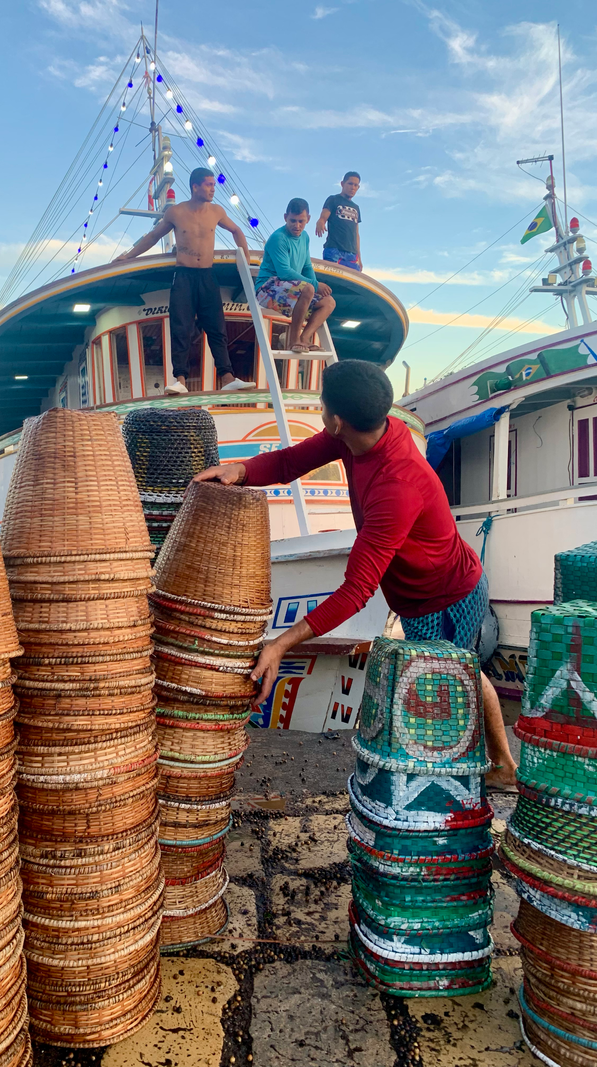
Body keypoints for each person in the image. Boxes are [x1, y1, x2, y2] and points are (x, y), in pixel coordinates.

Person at [195, 359, 518, 791]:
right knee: (463, 671)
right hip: (418, 594)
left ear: (336, 420)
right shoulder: (360, 436)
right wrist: (242, 471)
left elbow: (355, 592)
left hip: (445, 596)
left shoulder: (396, 486)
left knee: (447, 680)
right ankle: (501, 763)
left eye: (321, 405)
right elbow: (292, 461)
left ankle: (466, 778)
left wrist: (280, 644)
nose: (321, 411)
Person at [114, 168, 256, 396]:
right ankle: (180, 379)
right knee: (181, 327)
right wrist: (129, 256)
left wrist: (246, 261)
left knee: (216, 327)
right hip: (183, 276)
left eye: (214, 185)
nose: (213, 189)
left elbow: (237, 230)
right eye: (208, 185)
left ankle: (227, 377)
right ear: (195, 187)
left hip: (207, 276)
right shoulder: (176, 212)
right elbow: (154, 236)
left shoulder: (217, 211)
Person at [255, 198, 336, 354]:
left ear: (308, 219)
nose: (297, 225)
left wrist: (315, 286)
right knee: (308, 289)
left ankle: (305, 338)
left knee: (329, 302)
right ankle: (293, 340)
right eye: (293, 221)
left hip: (294, 288)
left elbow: (306, 267)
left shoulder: (305, 237)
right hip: (267, 288)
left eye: (301, 221)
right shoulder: (278, 238)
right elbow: (284, 272)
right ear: (285, 217)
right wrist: (315, 285)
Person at [316, 172, 362, 272]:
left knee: (350, 280)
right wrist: (320, 222)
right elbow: (323, 217)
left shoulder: (356, 208)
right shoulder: (333, 200)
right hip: (334, 250)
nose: (353, 187)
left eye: (356, 185)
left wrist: (359, 257)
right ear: (342, 184)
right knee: (331, 279)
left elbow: (356, 233)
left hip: (352, 254)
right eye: (350, 184)